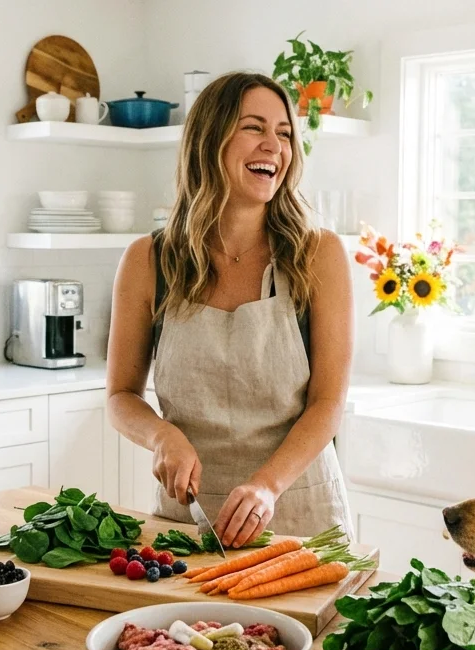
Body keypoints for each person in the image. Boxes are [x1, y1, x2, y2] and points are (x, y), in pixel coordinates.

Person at [106, 71, 353, 547]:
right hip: (189, 521)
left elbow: (328, 403)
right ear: (209, 139)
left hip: (299, 515)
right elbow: (120, 395)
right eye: (254, 128)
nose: (274, 147)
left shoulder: (318, 254)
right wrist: (161, 436)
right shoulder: (148, 260)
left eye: (284, 134)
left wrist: (267, 485)